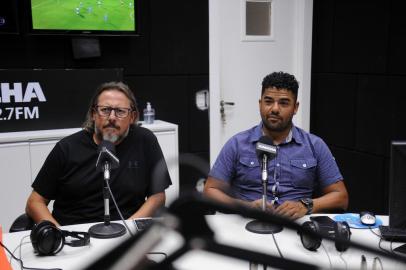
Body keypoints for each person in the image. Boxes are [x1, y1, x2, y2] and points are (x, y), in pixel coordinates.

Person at [204, 71, 348, 219]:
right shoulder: (237, 144)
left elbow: (341, 197)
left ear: (295, 107)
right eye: (268, 101)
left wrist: (305, 205)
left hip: (296, 225)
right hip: (247, 223)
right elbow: (210, 190)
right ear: (260, 104)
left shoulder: (315, 145)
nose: (274, 109)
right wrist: (245, 207)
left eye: (284, 103)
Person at [25, 81, 171, 226]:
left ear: (132, 117)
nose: (112, 117)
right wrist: (58, 234)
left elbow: (157, 196)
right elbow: (35, 202)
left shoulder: (145, 141)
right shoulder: (66, 148)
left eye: (120, 111)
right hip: (75, 237)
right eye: (105, 110)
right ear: (94, 114)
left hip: (126, 231)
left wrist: (130, 228)